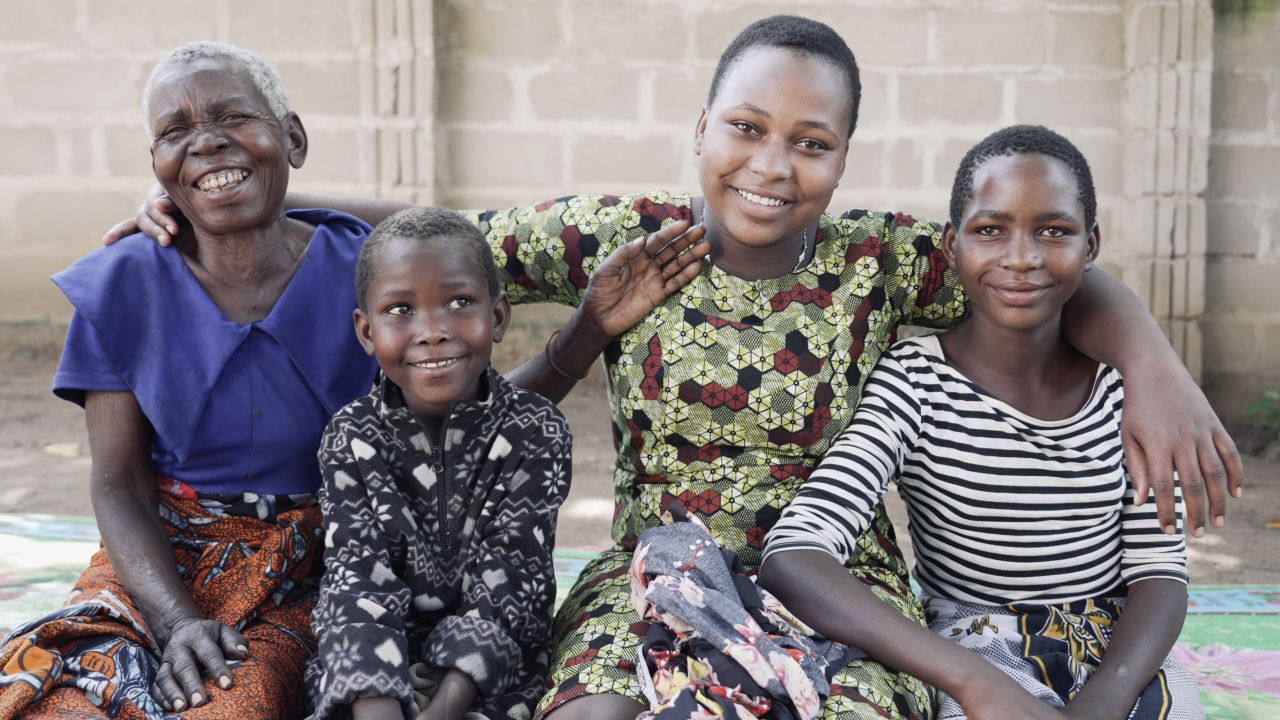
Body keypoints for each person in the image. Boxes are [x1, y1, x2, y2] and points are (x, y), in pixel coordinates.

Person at [107, 16, 1241, 720]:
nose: (770, 165)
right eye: (745, 128)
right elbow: (443, 229)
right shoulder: (623, 233)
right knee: (592, 709)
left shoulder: (884, 259)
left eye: (810, 143)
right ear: (700, 128)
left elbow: (1040, 272)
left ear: (842, 157)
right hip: (649, 559)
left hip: (841, 575)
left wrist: (1148, 357)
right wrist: (236, 202)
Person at [761, 126, 1201, 720]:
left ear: (1090, 245)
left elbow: (1159, 572)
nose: (1021, 257)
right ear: (952, 244)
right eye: (990, 230)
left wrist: (1104, 702)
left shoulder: (1125, 389)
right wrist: (972, 682)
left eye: (1054, 231)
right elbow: (794, 553)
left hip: (1120, 649)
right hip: (971, 646)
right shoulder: (915, 382)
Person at [0, 42, 379, 719]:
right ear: (157, 168)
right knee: (51, 704)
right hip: (154, 563)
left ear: (292, 137)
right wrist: (173, 622)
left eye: (234, 118)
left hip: (303, 571)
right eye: (175, 133)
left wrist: (255, 183)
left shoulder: (368, 269)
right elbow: (117, 481)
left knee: (233, 705)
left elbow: (453, 232)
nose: (205, 143)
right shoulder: (122, 283)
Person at [306, 207, 572, 720]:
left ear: (497, 316)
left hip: (494, 669)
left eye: (459, 302)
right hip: (375, 666)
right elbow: (356, 580)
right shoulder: (352, 436)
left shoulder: (536, 430)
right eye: (401, 309)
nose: (431, 331)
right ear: (366, 332)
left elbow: (514, 581)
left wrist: (446, 707)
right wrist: (378, 705)